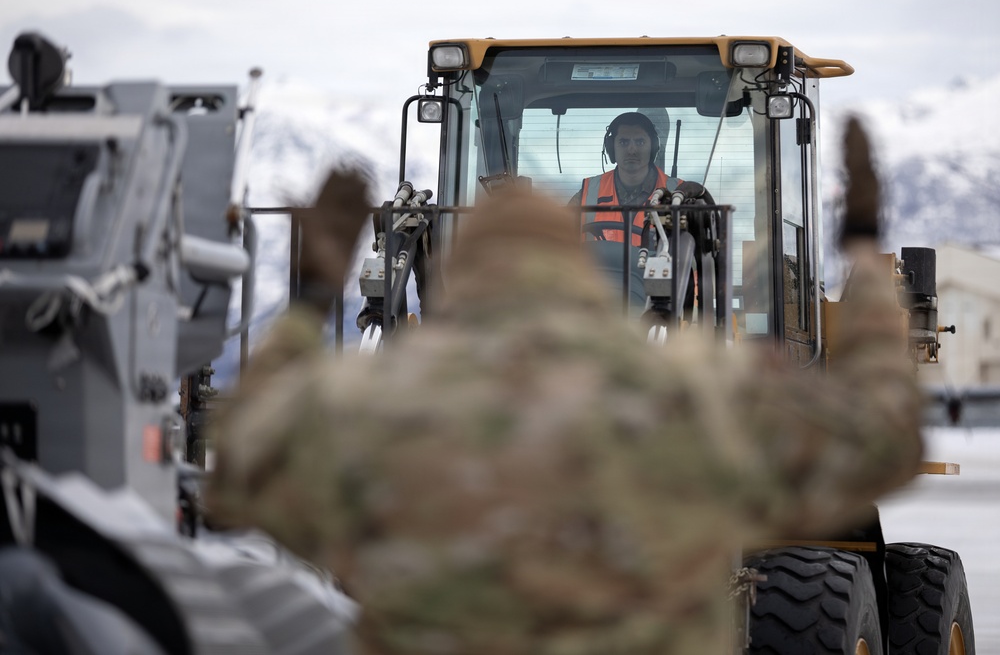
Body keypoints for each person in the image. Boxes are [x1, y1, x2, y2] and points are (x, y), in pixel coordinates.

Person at [206, 118, 923, 655]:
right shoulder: (692, 398)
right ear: (572, 263)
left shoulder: (372, 407)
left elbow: (237, 470)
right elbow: (882, 432)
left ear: (465, 270)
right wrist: (862, 247)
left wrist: (308, 302)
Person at [569, 111, 706, 245]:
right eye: (623, 142)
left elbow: (698, 254)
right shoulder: (586, 196)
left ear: (652, 147)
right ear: (612, 148)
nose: (632, 150)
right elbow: (556, 242)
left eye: (640, 142)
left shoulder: (680, 196)